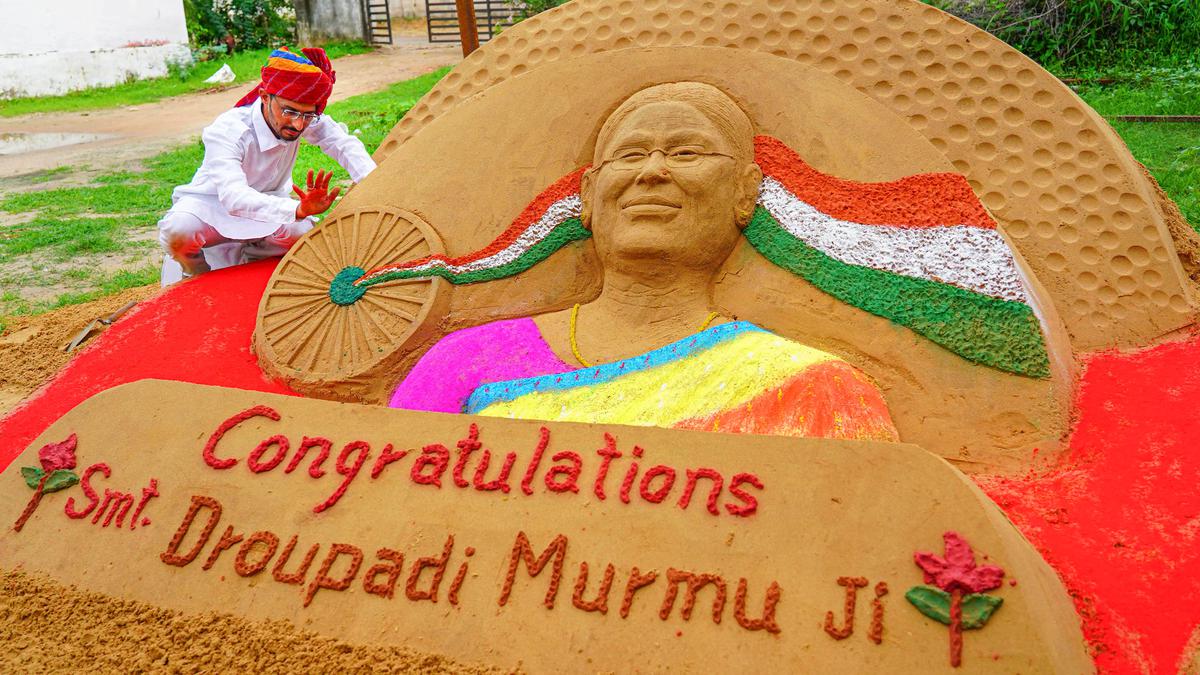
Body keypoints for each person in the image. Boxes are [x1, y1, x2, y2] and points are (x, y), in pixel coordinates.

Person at [389, 82, 899, 442]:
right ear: (588, 195)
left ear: (746, 194)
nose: (652, 172)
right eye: (629, 156)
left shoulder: (813, 390)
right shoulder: (466, 364)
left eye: (686, 154)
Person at [158, 47, 376, 283]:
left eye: (308, 116)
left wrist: (375, 183)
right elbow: (234, 197)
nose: (298, 124)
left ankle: (260, 275)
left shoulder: (301, 117)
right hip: (213, 206)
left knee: (301, 233)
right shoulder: (228, 130)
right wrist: (298, 210)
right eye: (290, 111)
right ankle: (196, 281)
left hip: (269, 209)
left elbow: (342, 143)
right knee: (178, 231)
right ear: (264, 97)